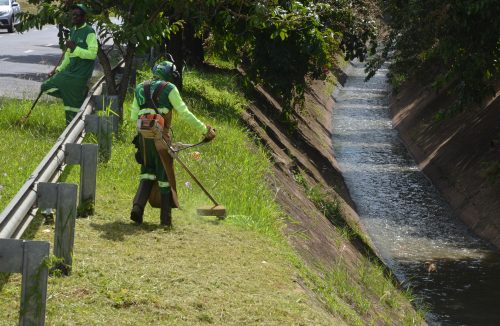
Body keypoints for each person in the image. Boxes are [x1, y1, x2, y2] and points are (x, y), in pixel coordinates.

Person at [129, 60, 216, 227]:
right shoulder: (169, 88)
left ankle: (137, 208)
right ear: (170, 74)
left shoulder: (140, 87)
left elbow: (134, 117)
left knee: (147, 172)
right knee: (164, 175)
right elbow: (184, 113)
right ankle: (165, 221)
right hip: (160, 138)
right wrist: (205, 129)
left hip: (142, 137)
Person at [41, 4, 97, 125]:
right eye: (73, 15)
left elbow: (92, 54)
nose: (74, 17)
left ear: (84, 17)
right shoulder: (73, 31)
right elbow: (68, 56)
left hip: (80, 75)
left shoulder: (89, 32)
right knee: (45, 86)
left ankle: (72, 127)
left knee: (73, 109)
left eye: (77, 15)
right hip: (69, 73)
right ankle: (74, 97)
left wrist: (75, 48)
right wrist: (58, 70)